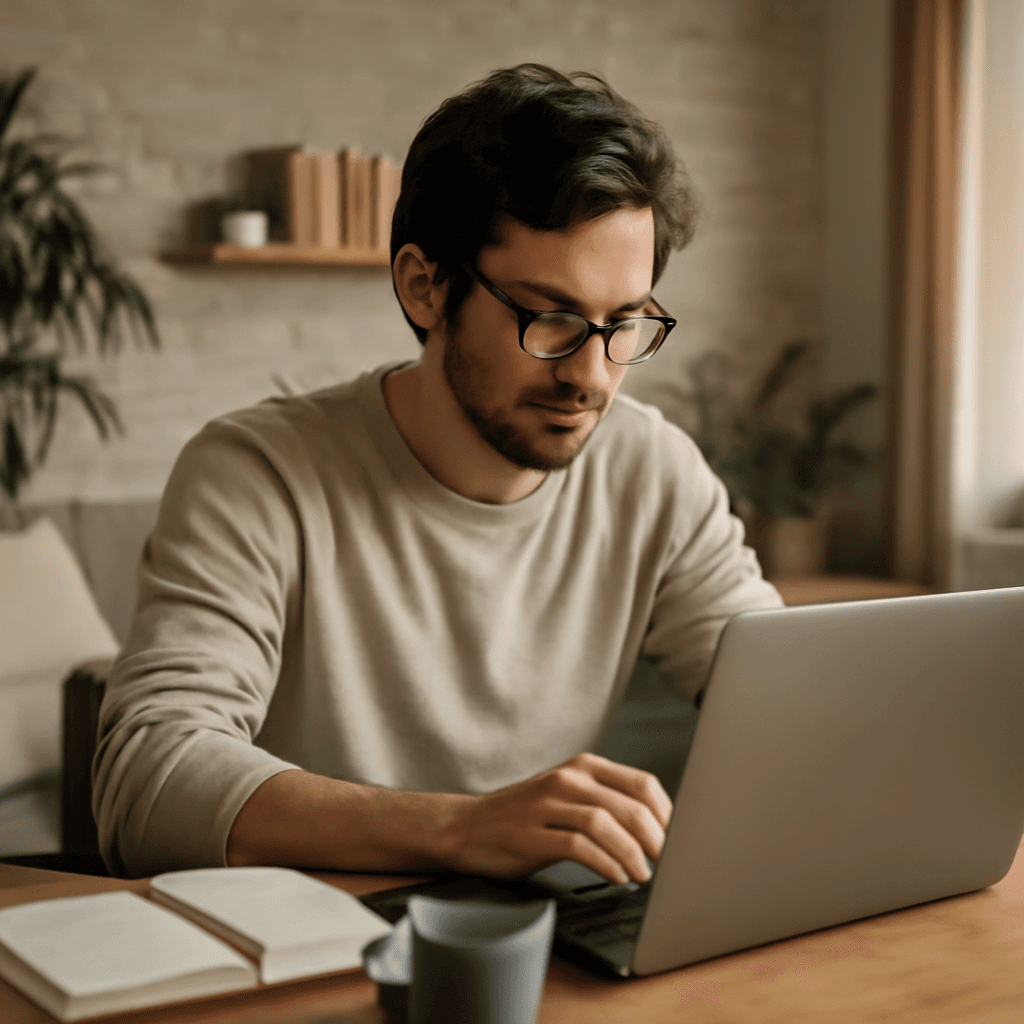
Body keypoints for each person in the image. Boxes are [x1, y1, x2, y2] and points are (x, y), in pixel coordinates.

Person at [94, 64, 781, 880]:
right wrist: (461, 829)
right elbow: (148, 780)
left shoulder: (653, 472)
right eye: (550, 317)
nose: (591, 374)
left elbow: (788, 697)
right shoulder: (256, 476)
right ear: (425, 287)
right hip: (318, 940)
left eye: (623, 322)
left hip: (535, 939)